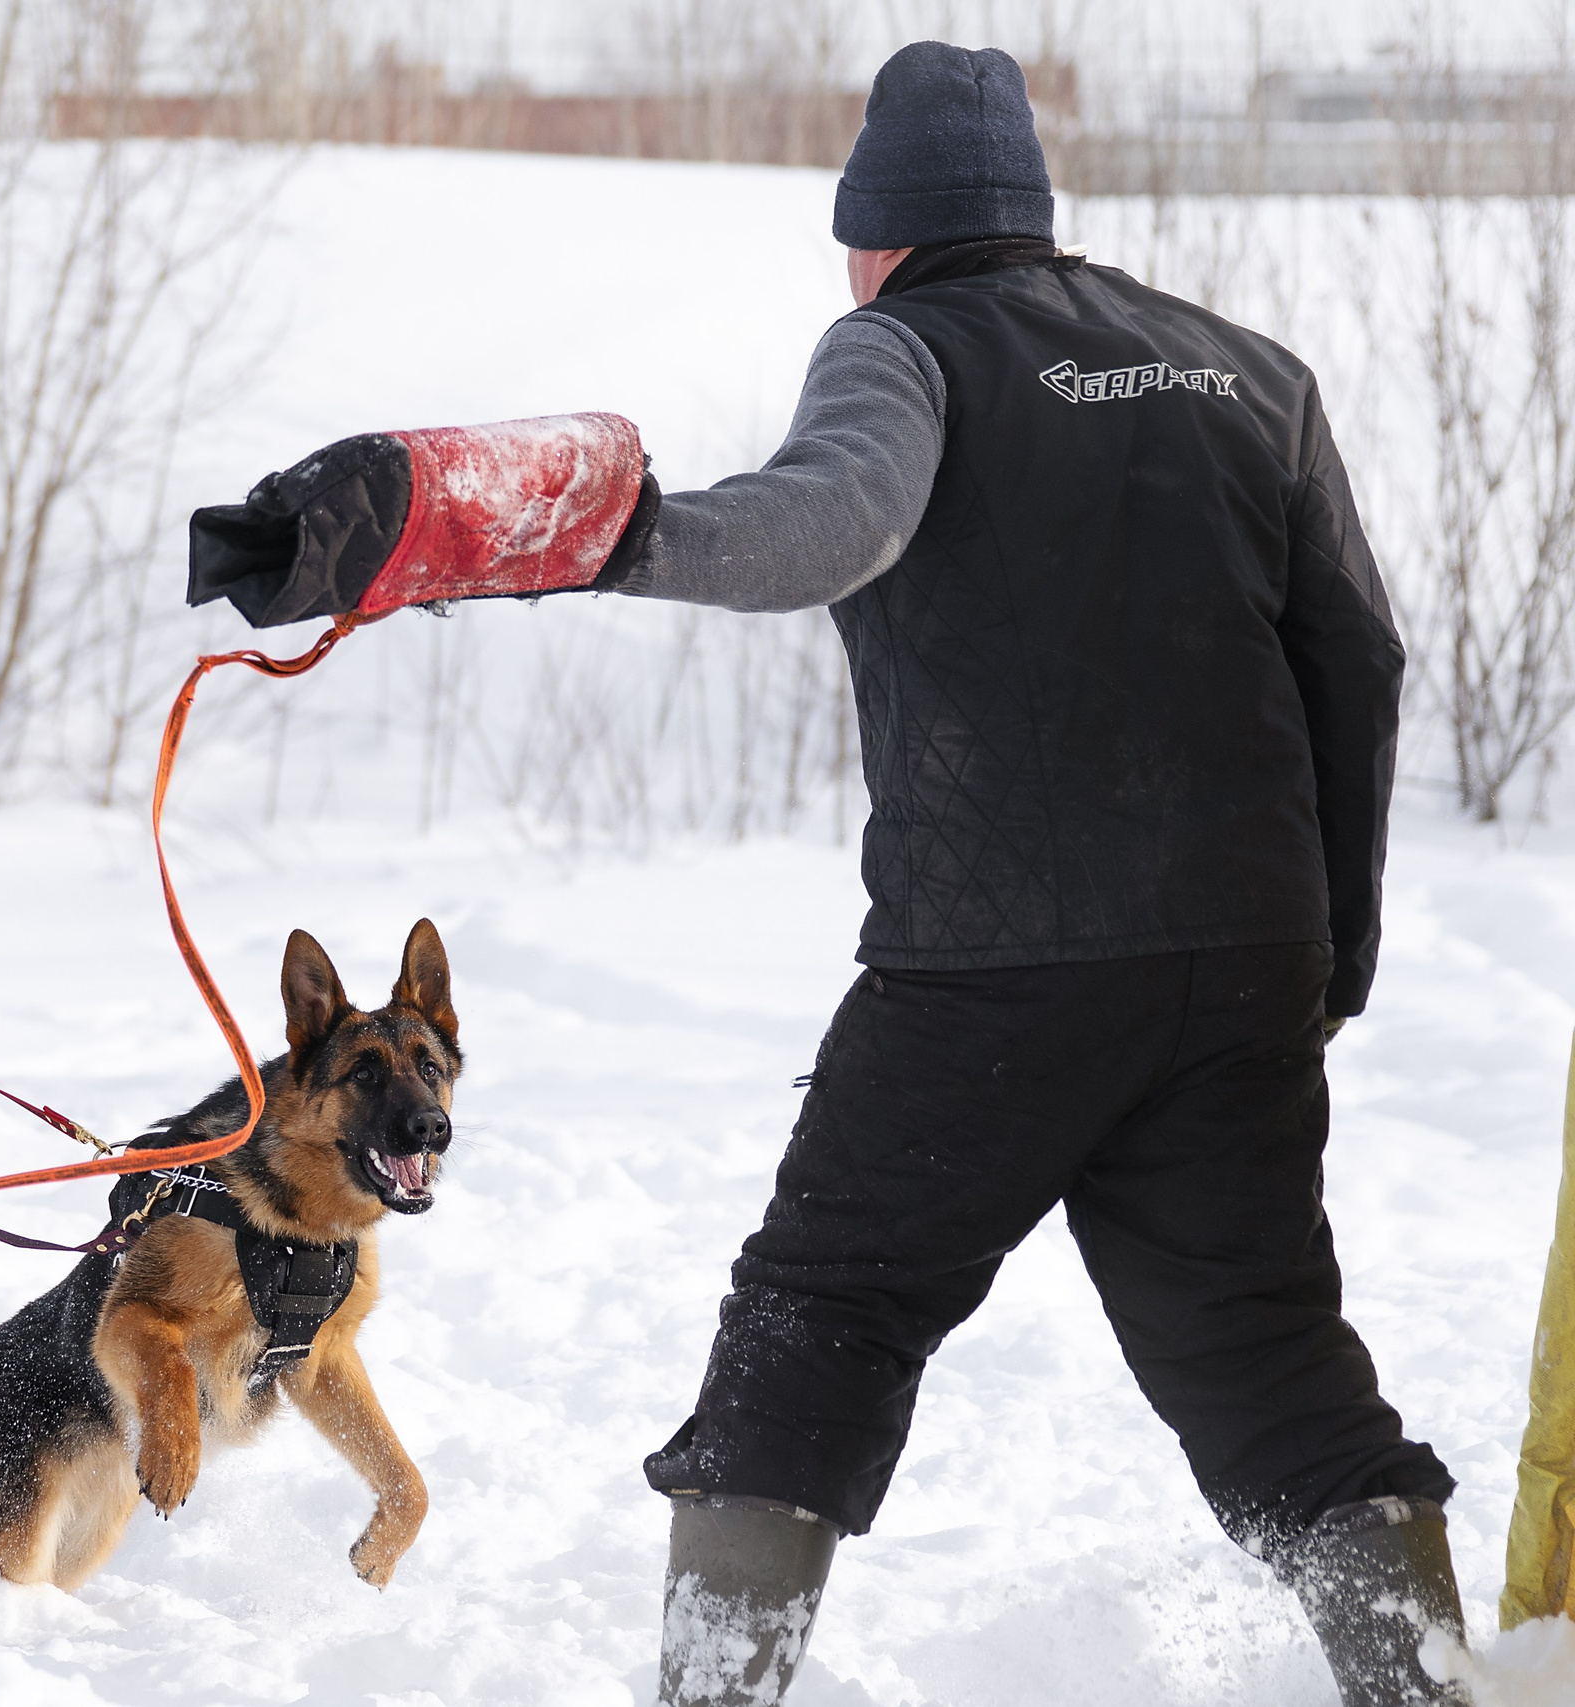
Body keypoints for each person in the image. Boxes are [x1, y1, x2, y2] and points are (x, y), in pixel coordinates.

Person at [602, 43, 1462, 1707]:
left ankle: (714, 1693)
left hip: (987, 976)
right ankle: (1425, 1689)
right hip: (1239, 966)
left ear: (882, 231)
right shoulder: (1247, 372)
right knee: (1274, 1371)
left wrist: (612, 533)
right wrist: (1326, 955)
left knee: (822, 1311)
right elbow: (1355, 663)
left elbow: (823, 528)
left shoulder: (898, 344)